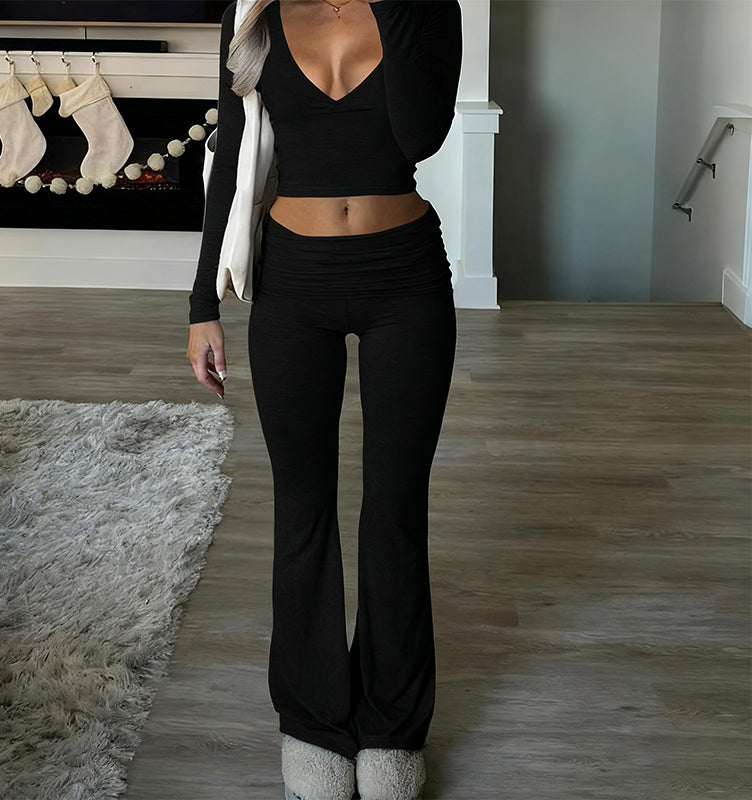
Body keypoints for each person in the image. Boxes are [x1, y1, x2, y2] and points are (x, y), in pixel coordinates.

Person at [187, 1, 462, 798]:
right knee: (302, 507)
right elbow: (231, 154)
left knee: (395, 509)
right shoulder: (255, 16)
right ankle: (311, 721)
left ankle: (392, 727)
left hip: (404, 279)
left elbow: (420, 137)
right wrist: (202, 304)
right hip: (292, 284)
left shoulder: (426, 9)